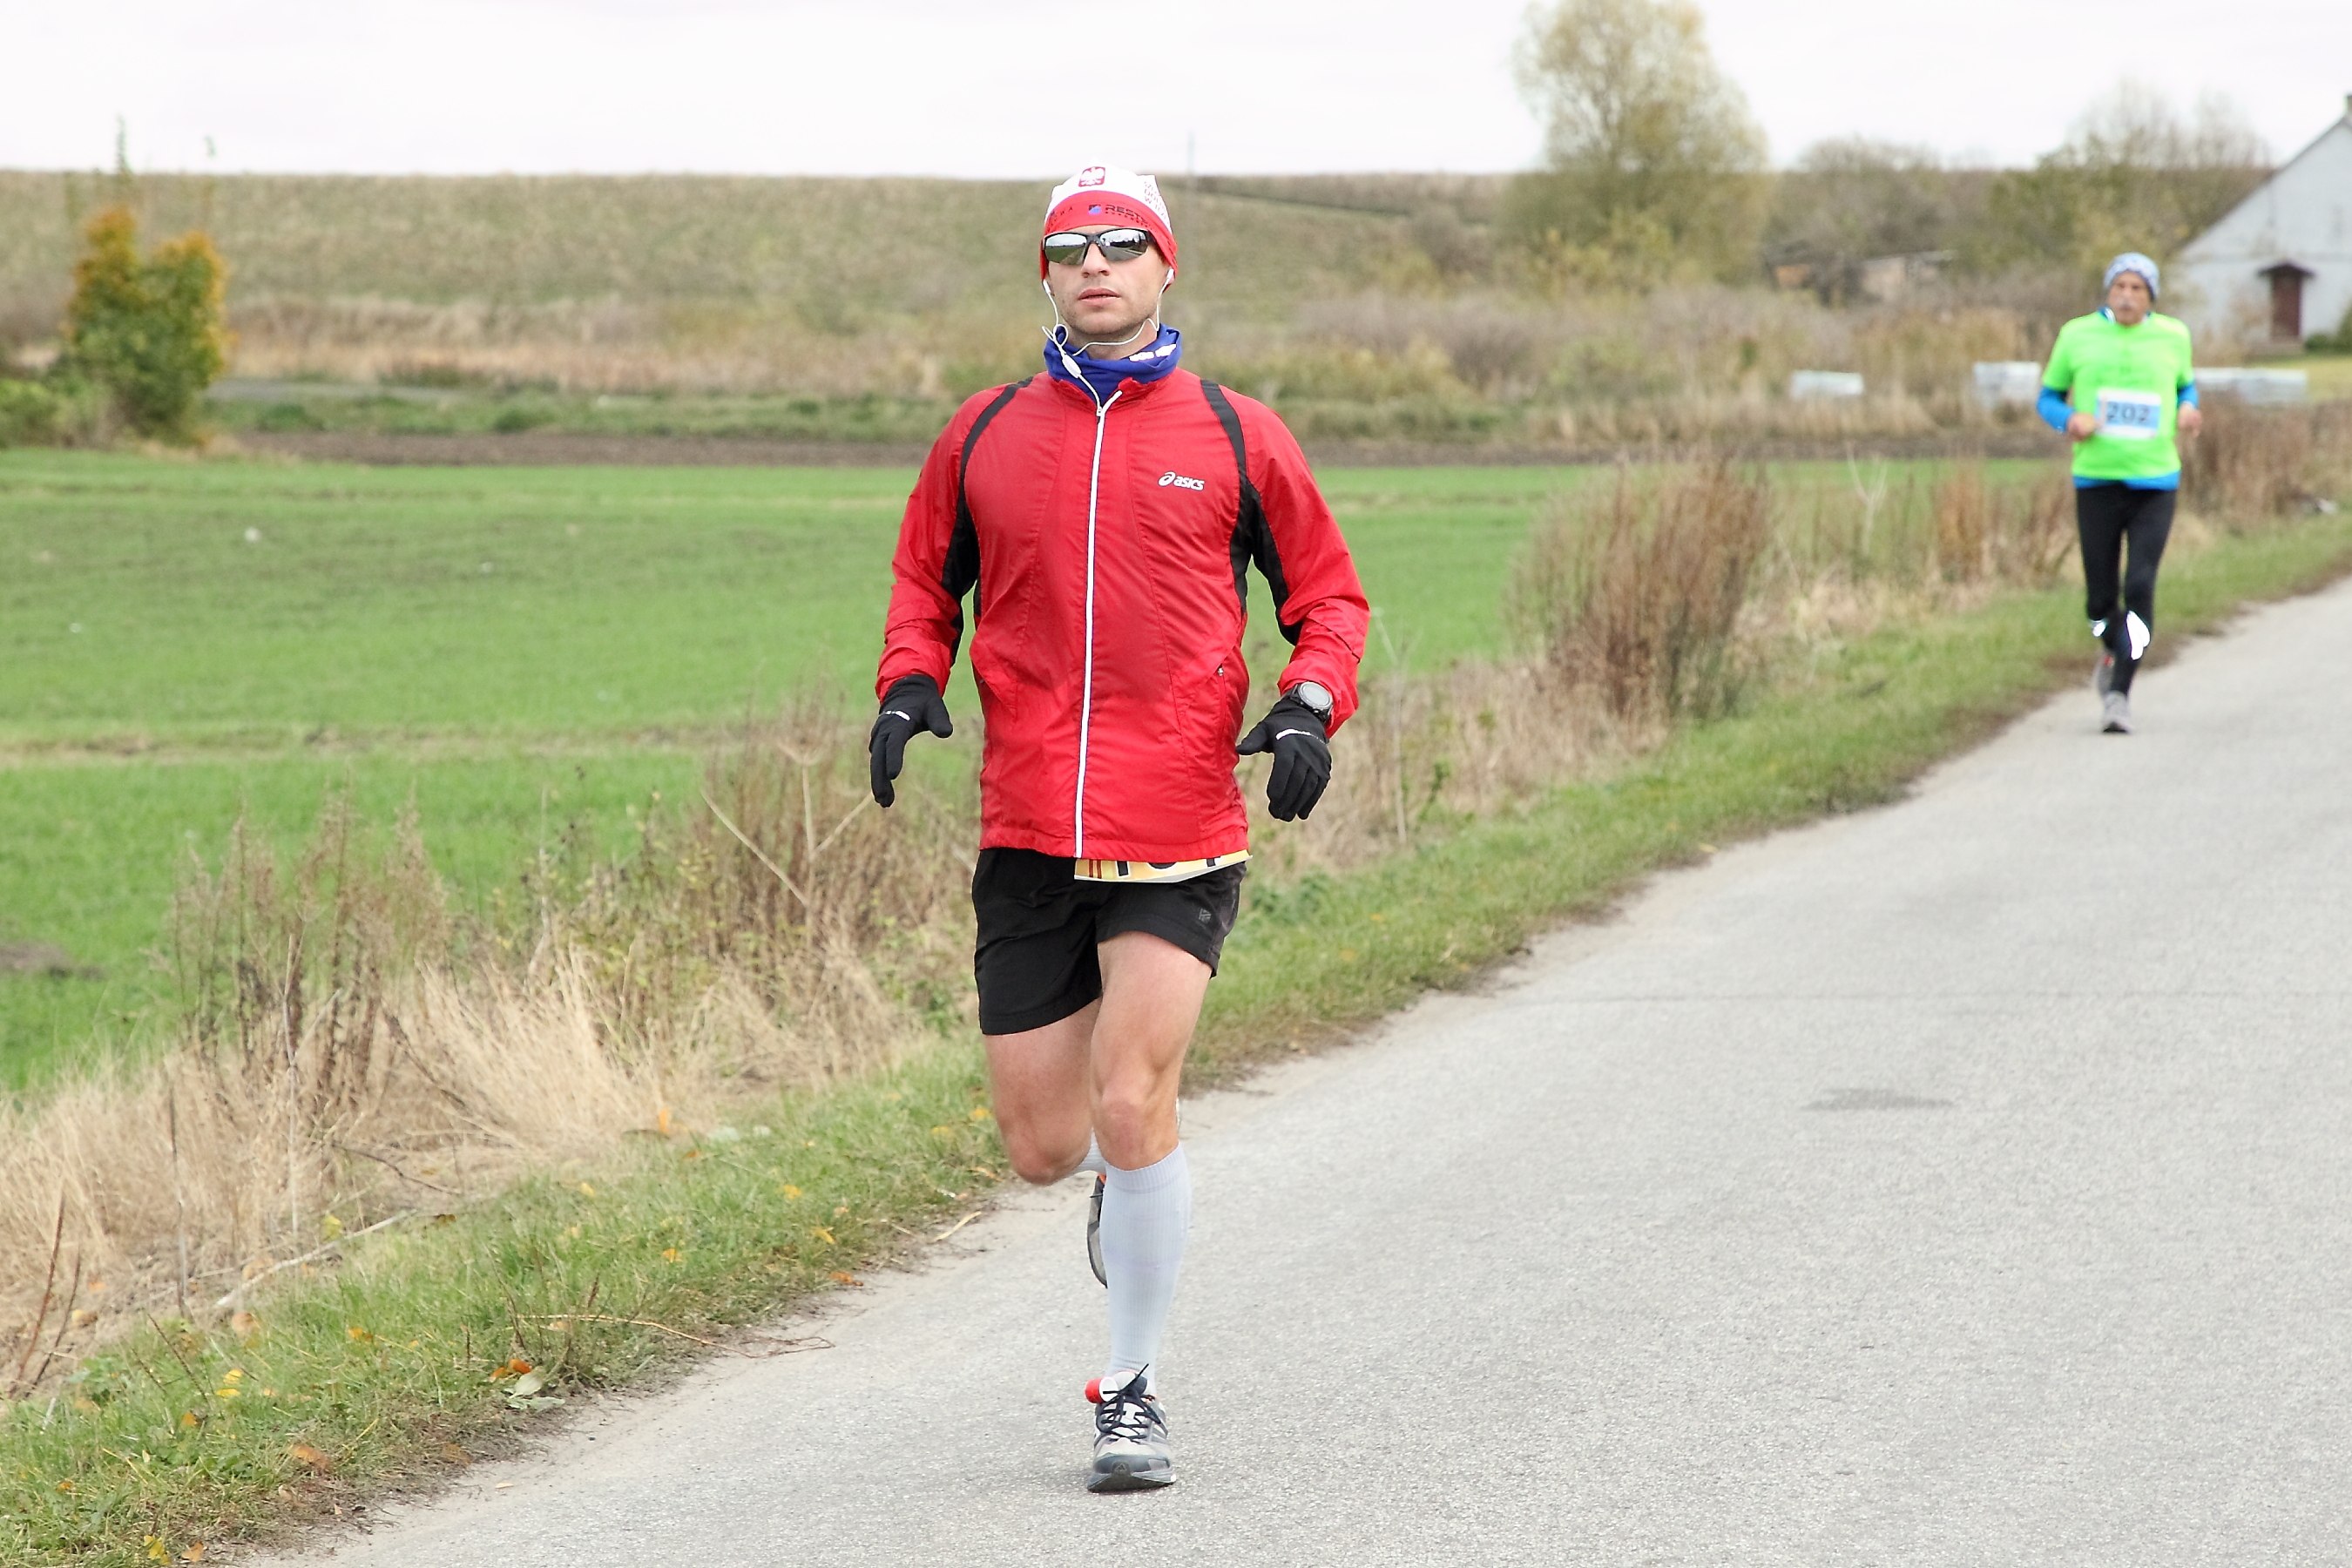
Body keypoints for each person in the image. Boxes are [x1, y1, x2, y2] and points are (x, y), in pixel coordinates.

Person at [868, 163, 1369, 1492]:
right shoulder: (982, 434)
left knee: (1135, 1098)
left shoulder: (1238, 433)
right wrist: (908, 683)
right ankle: (1119, 1183)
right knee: (1045, 1145)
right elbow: (923, 581)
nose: (1096, 263)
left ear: (1165, 264)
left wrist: (1311, 704)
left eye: (1123, 242)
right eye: (1071, 246)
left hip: (1179, 822)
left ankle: (1131, 1391)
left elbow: (1330, 600)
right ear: (1045, 274)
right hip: (1029, 825)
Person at [2038, 251, 2202, 734]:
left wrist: (2188, 409)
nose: (2127, 296)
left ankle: (2119, 694)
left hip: (2155, 481)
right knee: (2099, 602)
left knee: (2141, 585)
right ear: (2108, 292)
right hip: (2097, 480)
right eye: (2119, 287)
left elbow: (2186, 389)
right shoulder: (2077, 335)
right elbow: (2047, 398)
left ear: (2151, 296)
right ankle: (2113, 646)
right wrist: (2069, 419)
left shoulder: (2173, 335)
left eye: (2137, 289)